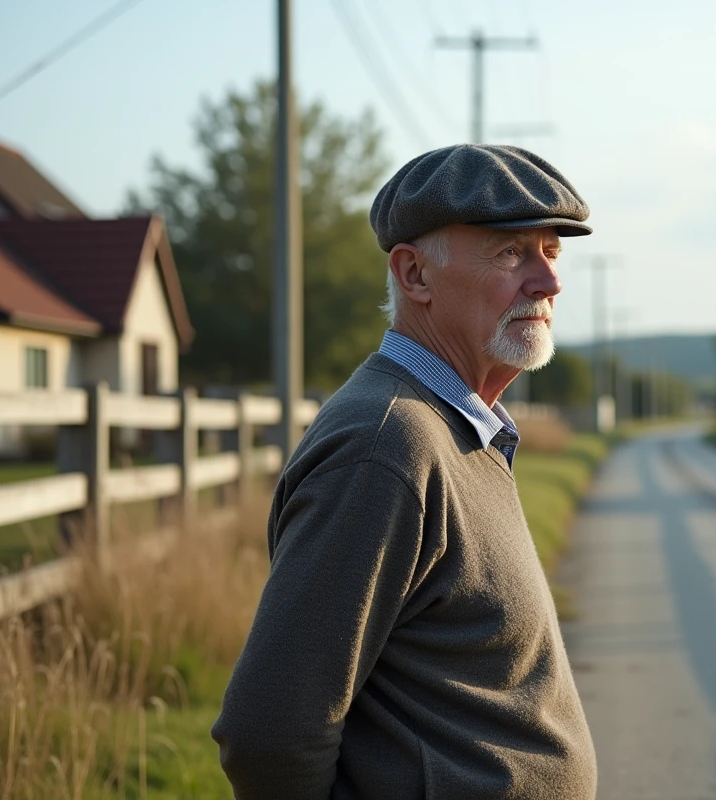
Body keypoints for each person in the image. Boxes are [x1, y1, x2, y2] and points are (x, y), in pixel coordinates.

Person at [211, 144, 598, 800]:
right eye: (511, 253)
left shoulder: (453, 426)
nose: (548, 283)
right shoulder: (386, 446)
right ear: (414, 274)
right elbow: (268, 734)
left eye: (551, 252)